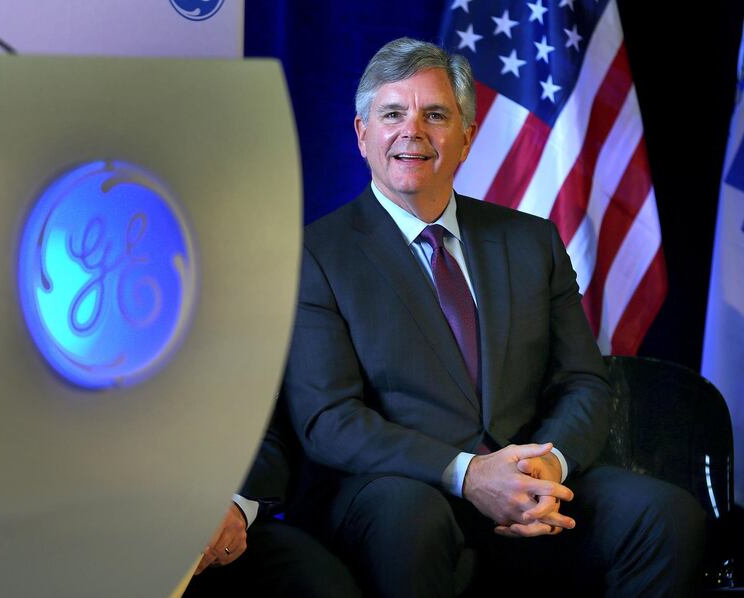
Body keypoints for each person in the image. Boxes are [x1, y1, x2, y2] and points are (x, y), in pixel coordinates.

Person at [281, 37, 705, 596]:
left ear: (466, 139)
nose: (412, 130)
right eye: (392, 114)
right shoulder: (315, 254)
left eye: (435, 115)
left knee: (666, 517)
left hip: (528, 483)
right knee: (410, 519)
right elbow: (327, 420)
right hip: (400, 490)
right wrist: (468, 473)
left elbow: (583, 382)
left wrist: (546, 468)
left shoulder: (532, 241)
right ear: (363, 136)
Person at [183, 398, 361, 597]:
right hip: (151, 533)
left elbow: (265, 437)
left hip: (226, 518)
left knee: (321, 583)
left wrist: (238, 508)